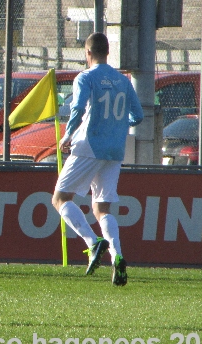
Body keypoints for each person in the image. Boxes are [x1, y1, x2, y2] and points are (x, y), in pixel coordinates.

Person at [51, 32, 143, 286]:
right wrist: (118, 126)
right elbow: (137, 116)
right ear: (108, 52)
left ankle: (93, 243)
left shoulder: (86, 77)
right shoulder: (123, 80)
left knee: (60, 198)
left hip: (89, 145)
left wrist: (67, 135)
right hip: (114, 150)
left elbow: (78, 108)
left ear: (87, 53)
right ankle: (117, 257)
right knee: (102, 209)